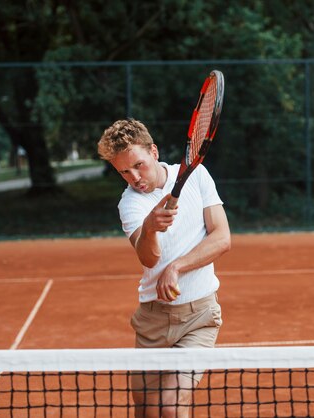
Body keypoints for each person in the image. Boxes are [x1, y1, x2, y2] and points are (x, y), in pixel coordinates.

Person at [97, 119, 231, 417]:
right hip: (153, 321)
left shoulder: (196, 176)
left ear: (153, 151)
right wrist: (150, 228)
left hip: (200, 317)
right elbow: (148, 258)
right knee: (146, 410)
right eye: (123, 172)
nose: (134, 177)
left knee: (169, 407)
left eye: (138, 165)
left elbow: (222, 238)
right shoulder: (130, 204)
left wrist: (177, 267)